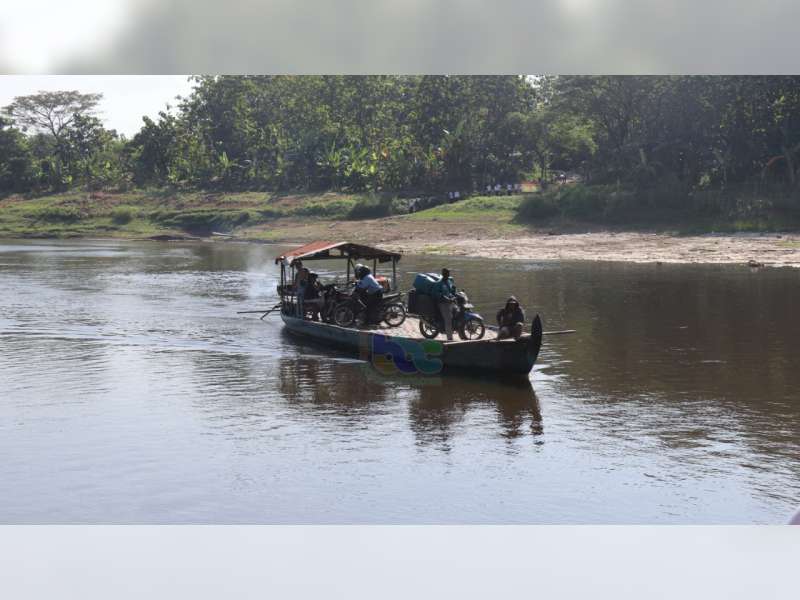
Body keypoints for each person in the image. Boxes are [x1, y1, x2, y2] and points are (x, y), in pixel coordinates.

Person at [431, 268, 457, 340]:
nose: (447, 275)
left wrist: (454, 291)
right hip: (442, 303)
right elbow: (434, 293)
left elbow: (451, 291)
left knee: (457, 313)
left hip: (450, 302)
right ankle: (449, 338)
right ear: (443, 274)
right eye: (446, 274)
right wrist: (443, 297)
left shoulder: (449, 281)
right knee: (448, 320)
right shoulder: (439, 283)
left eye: (448, 274)